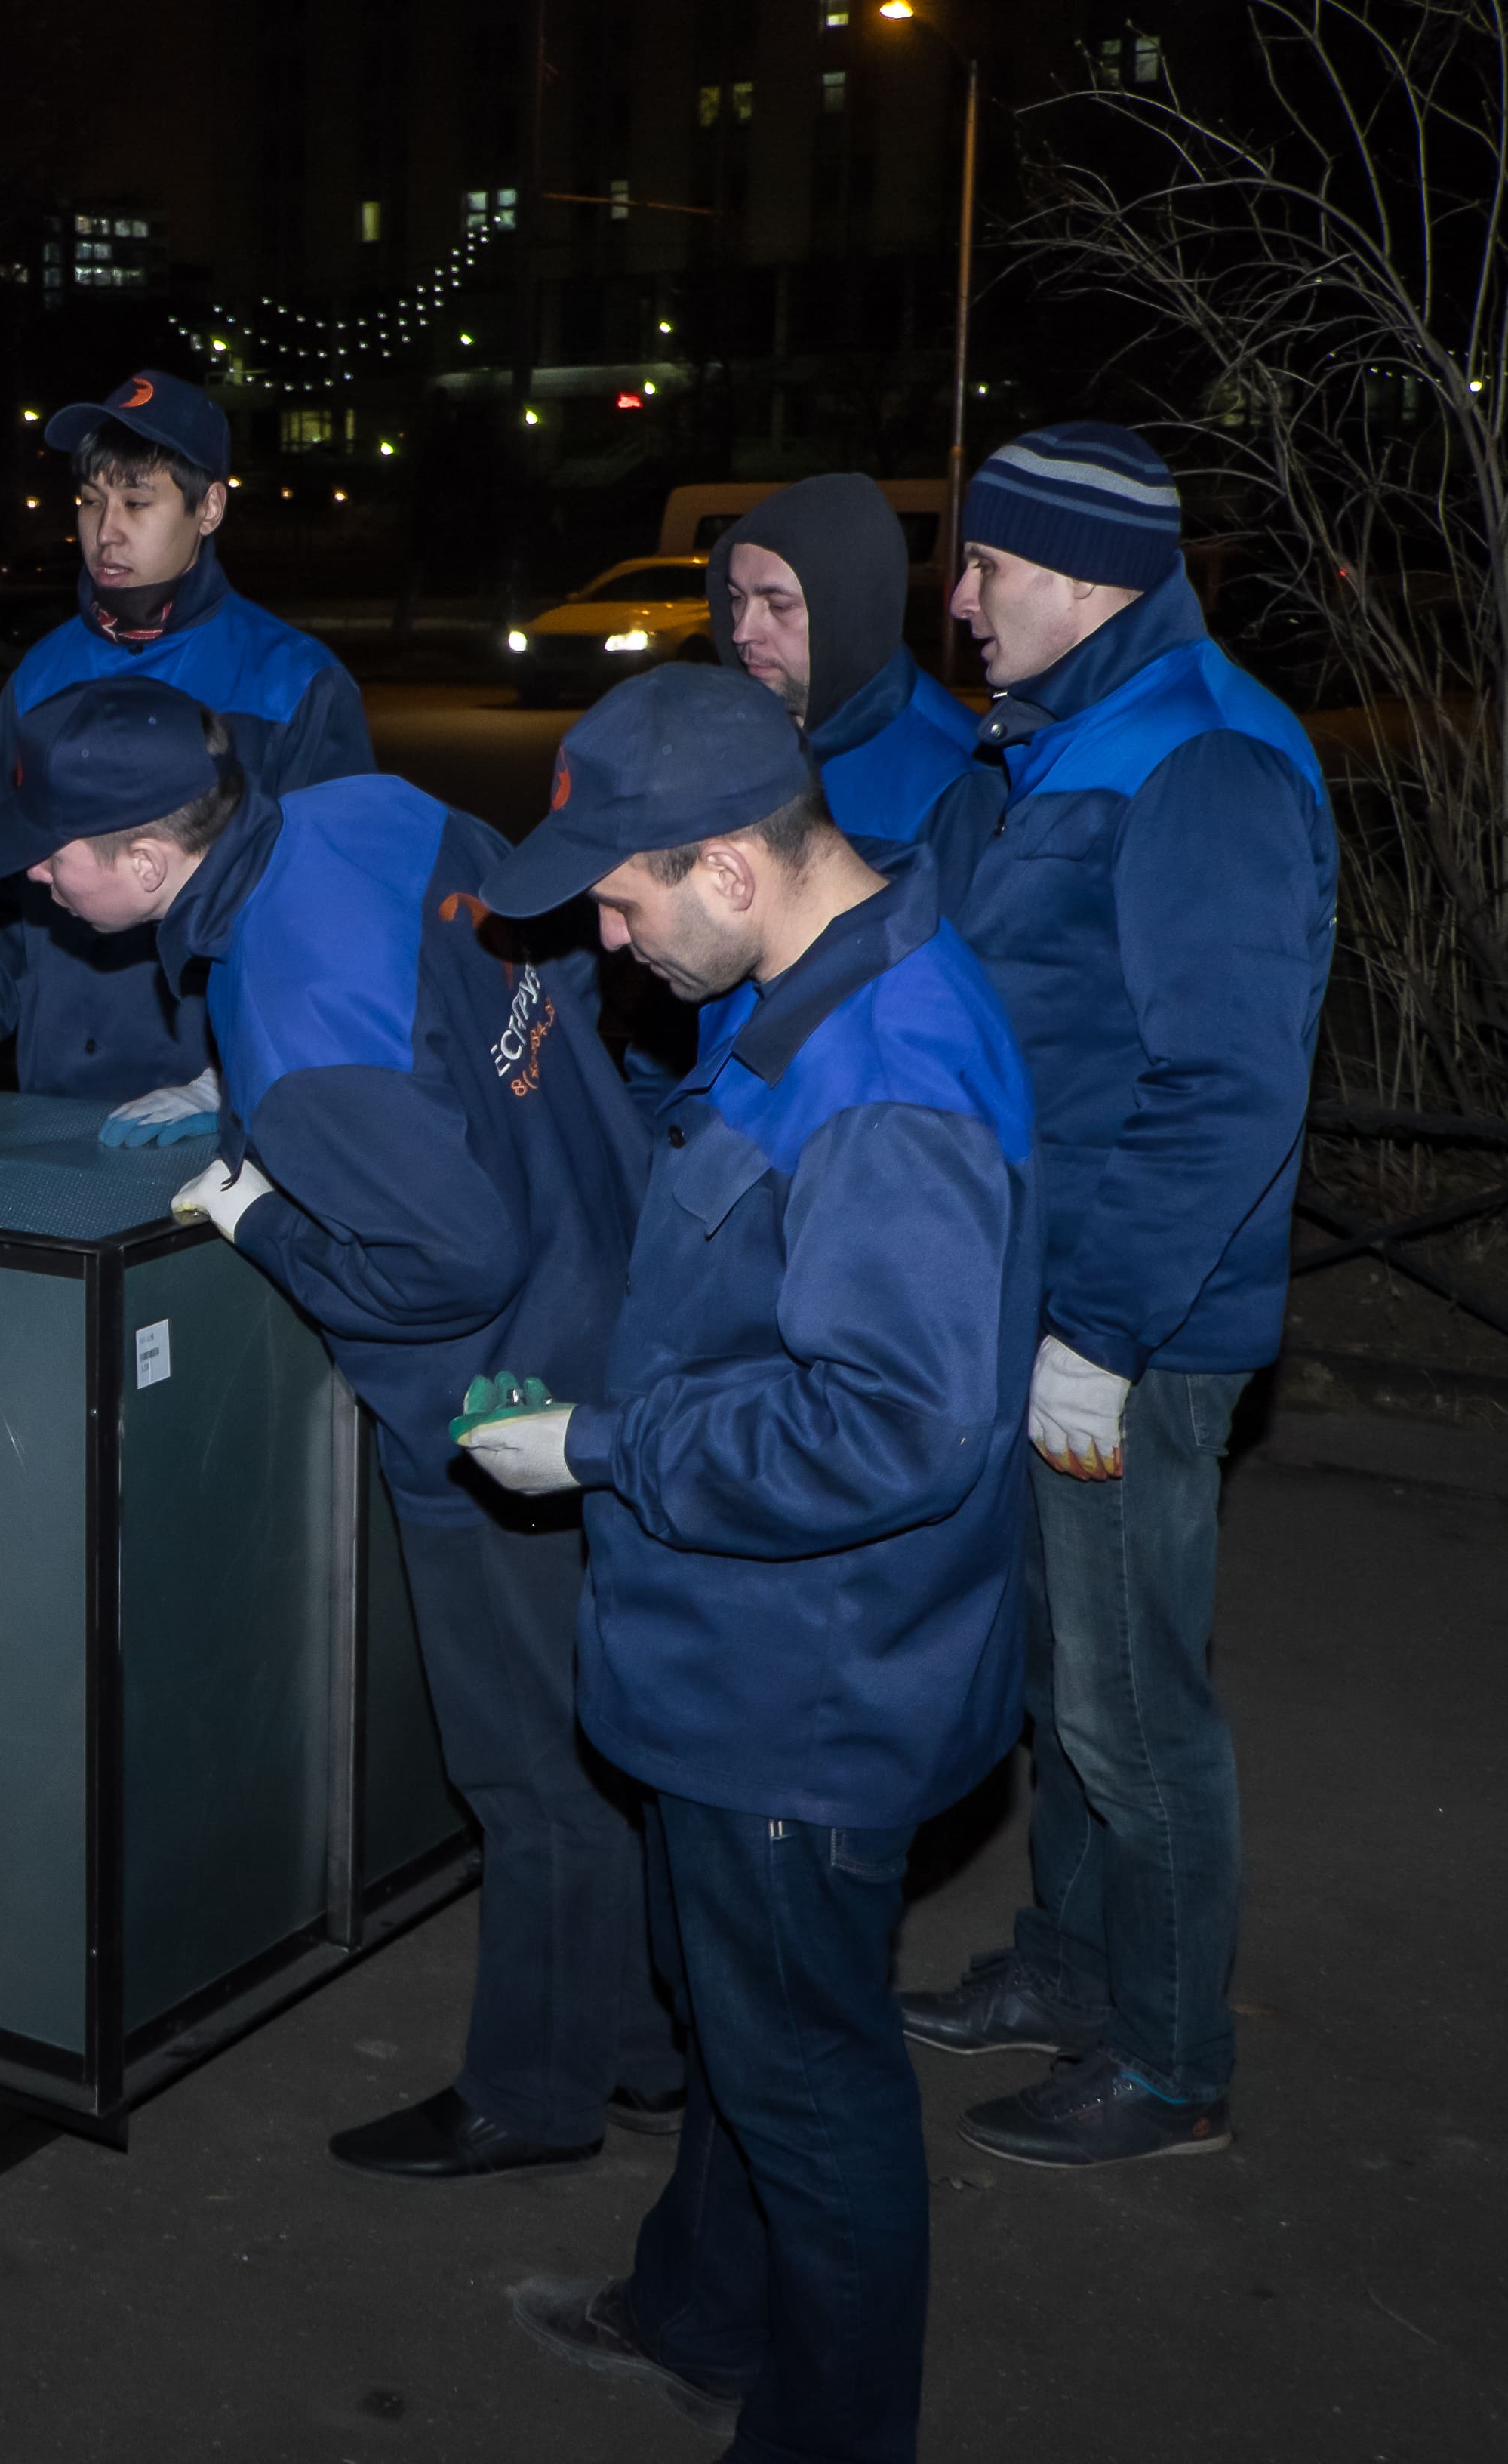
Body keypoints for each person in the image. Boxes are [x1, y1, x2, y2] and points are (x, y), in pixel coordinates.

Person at [0, 676, 673, 2179]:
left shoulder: (286, 1009)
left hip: (500, 1397)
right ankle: (647, 2040)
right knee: (614, 1725)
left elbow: (445, 1257)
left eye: (58, 854)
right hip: (610, 1279)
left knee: (529, 1770)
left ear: (153, 857)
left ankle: (536, 2097)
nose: (37, 876)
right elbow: (520, 979)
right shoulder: (372, 810)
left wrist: (271, 1216)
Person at [462, 664, 1038, 2464]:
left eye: (622, 900)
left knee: (811, 2086)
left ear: (727, 864)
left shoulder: (887, 1068)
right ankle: (700, 2304)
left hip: (810, 1682)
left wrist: (601, 1446)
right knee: (746, 2022)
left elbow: (889, 1423)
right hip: (753, 1653)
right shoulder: (815, 987)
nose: (608, 942)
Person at [907, 424, 1334, 2168]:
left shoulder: (1204, 760)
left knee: (1131, 1704)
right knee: (1057, 1680)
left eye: (986, 568)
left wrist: (1099, 1332)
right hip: (1049, 1301)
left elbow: (1225, 1083)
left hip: (1124, 1336)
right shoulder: (1082, 732)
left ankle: (1165, 2064)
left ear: (1082, 580)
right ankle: (1070, 1966)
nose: (957, 598)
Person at [0, 370, 372, 1138]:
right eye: (90, 501)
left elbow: (332, 916)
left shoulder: (294, 684)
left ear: (210, 506)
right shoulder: (39, 678)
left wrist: (232, 1077)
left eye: (137, 502)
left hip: (222, 1116)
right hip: (51, 1098)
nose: (105, 531)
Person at [707, 473, 986, 861]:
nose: (741, 632)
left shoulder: (953, 784)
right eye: (736, 598)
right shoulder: (727, 739)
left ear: (849, 612)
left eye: (779, 605)